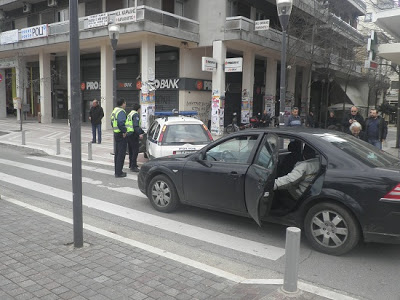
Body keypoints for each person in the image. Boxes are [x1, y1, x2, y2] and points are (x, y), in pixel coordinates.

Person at [111, 98, 128, 178]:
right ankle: (119, 172)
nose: (125, 105)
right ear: (123, 104)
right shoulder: (121, 112)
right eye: (125, 103)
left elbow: (112, 122)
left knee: (117, 153)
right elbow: (121, 123)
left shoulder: (114, 111)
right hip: (121, 134)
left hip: (116, 133)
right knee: (121, 154)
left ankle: (117, 171)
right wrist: (124, 131)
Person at [126, 103, 144, 172]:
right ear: (138, 109)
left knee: (130, 151)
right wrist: (140, 133)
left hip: (129, 134)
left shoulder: (130, 114)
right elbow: (136, 126)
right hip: (133, 134)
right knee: (135, 151)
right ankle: (133, 166)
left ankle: (131, 164)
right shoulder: (135, 115)